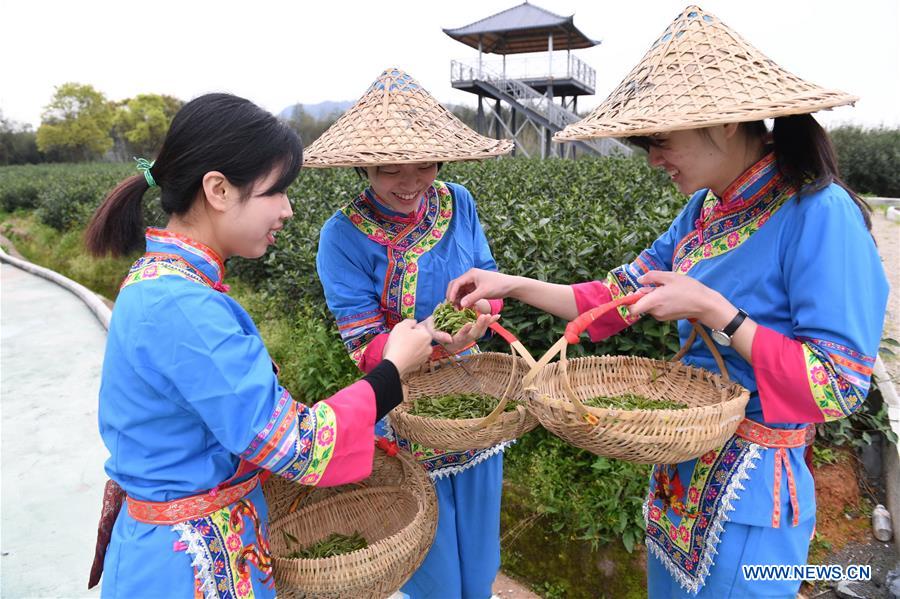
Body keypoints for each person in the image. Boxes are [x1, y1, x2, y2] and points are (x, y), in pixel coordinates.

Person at [447, 7, 889, 597]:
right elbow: (611, 302)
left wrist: (717, 313)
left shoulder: (819, 213)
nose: (654, 159)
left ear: (724, 122)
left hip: (750, 495)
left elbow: (838, 384)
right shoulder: (703, 212)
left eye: (659, 140)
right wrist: (512, 285)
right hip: (680, 474)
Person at [84, 92, 432, 598]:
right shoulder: (183, 307)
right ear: (219, 189)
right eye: (276, 192)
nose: (287, 210)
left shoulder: (167, 281)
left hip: (189, 545)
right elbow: (296, 445)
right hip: (188, 568)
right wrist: (393, 372)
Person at [307, 68, 513, 598]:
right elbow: (363, 343)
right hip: (406, 413)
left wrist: (481, 314)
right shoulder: (342, 236)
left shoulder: (458, 201)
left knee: (481, 562)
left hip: (473, 403)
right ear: (362, 166)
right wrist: (424, 339)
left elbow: (489, 277)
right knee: (434, 572)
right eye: (389, 168)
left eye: (422, 164)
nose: (409, 181)